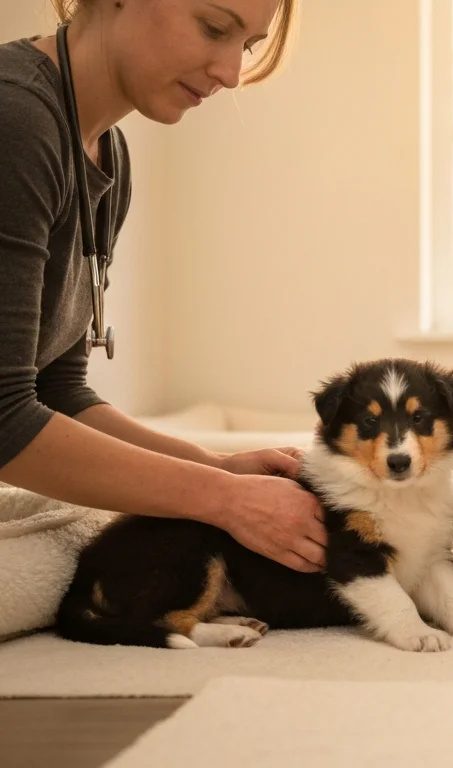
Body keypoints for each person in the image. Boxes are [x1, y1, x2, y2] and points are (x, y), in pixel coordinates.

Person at [0, 0, 328, 573]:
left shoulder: (107, 154)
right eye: (214, 28)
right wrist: (225, 500)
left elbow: (58, 390)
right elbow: (3, 419)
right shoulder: (16, 120)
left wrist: (215, 467)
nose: (229, 73)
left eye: (245, 46)